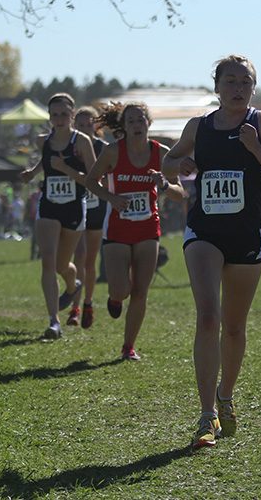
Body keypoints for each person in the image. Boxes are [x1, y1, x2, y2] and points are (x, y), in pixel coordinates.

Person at [162, 54, 261, 450]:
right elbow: (170, 163)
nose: (238, 88)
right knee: (208, 316)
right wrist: (182, 163)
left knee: (234, 327)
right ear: (217, 87)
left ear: (253, 88)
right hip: (204, 229)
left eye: (245, 82)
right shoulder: (199, 126)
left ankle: (225, 395)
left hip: (247, 233)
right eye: (230, 81)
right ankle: (206, 414)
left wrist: (257, 150)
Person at [85, 102, 186, 359]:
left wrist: (163, 185)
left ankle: (128, 346)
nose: (136, 125)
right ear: (125, 127)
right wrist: (111, 197)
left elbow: (180, 194)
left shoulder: (161, 154)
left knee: (141, 291)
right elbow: (89, 181)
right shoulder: (112, 152)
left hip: (147, 228)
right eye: (130, 121)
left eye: (140, 120)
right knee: (122, 289)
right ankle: (115, 298)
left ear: (148, 123)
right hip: (117, 229)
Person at [20, 93, 94, 339]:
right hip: (49, 205)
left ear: (72, 115)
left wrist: (67, 170)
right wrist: (32, 172)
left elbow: (93, 180)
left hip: (74, 206)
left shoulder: (81, 142)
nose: (59, 119)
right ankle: (54, 321)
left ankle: (73, 286)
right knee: (48, 262)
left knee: (63, 265)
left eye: (64, 114)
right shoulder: (44, 140)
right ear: (49, 117)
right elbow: (46, 161)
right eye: (54, 115)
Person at [67, 106, 109, 329]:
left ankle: (88, 303)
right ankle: (75, 307)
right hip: (76, 206)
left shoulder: (104, 148)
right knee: (79, 256)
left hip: (96, 208)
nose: (84, 129)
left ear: (97, 125)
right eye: (80, 125)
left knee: (90, 260)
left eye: (88, 124)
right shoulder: (72, 147)